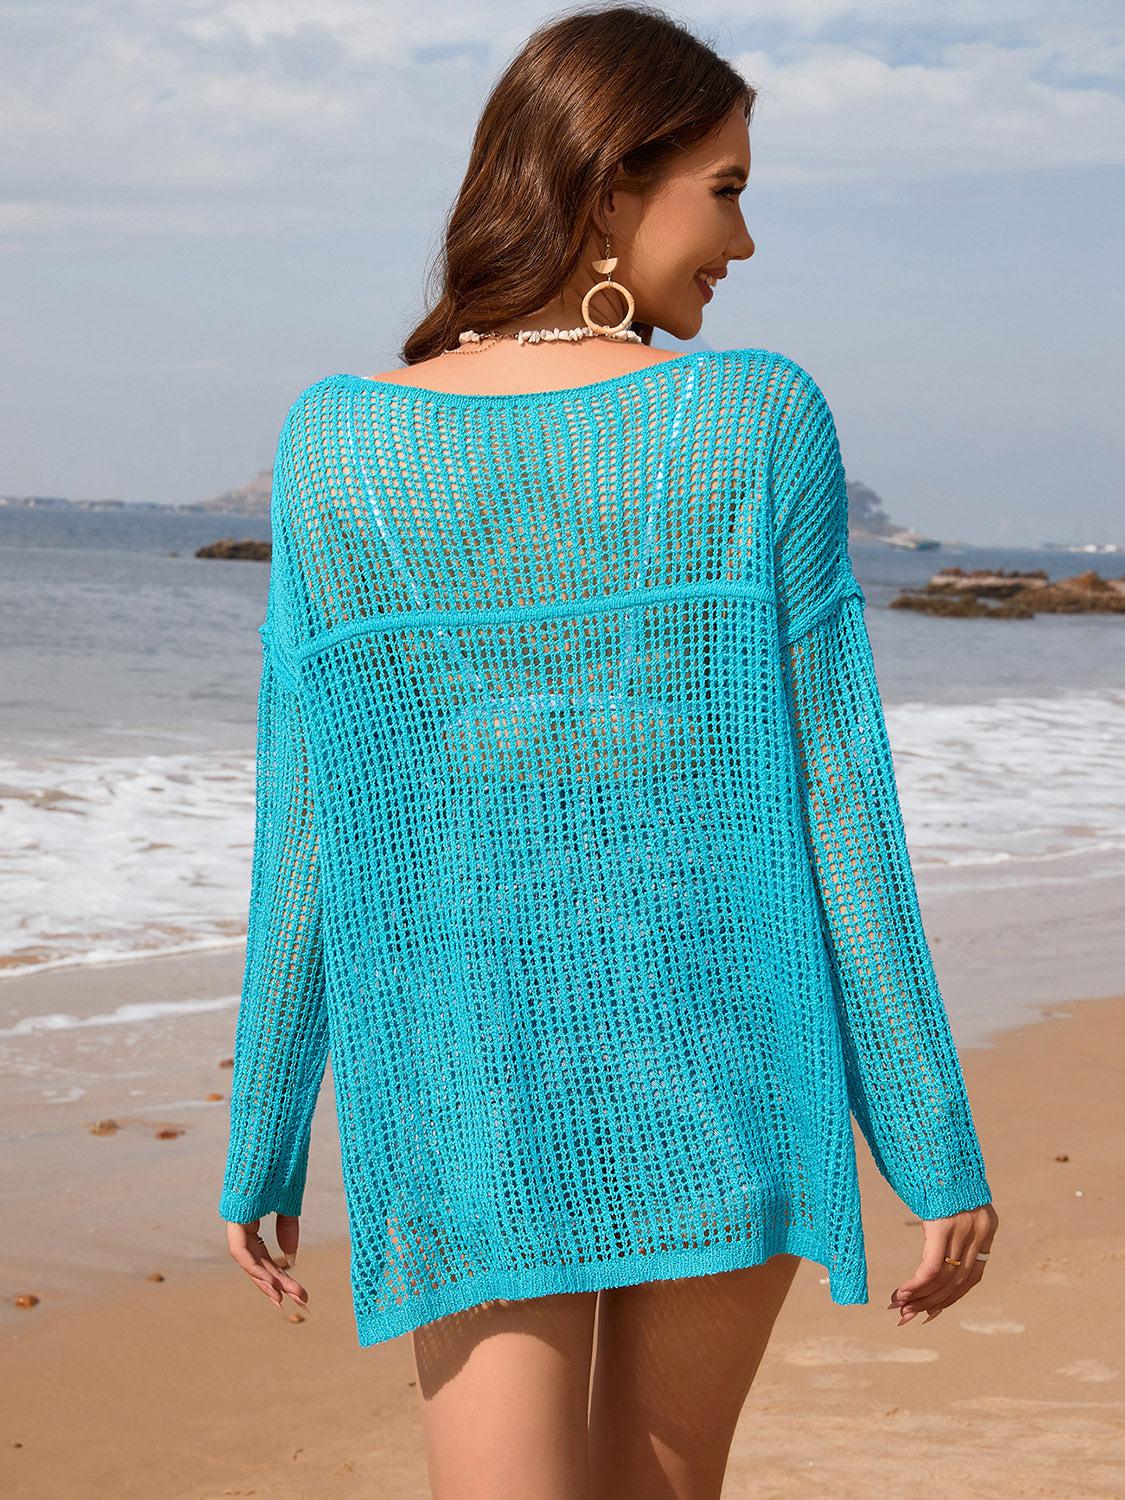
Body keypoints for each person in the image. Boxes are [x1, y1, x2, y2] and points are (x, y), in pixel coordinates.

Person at [218, 5, 1000, 1497]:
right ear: (609, 182)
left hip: (462, 1064)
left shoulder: (334, 442)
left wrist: (261, 1136)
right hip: (716, 1046)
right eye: (726, 188)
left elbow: (308, 825)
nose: (744, 241)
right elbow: (834, 796)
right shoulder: (752, 418)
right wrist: (926, 1139)